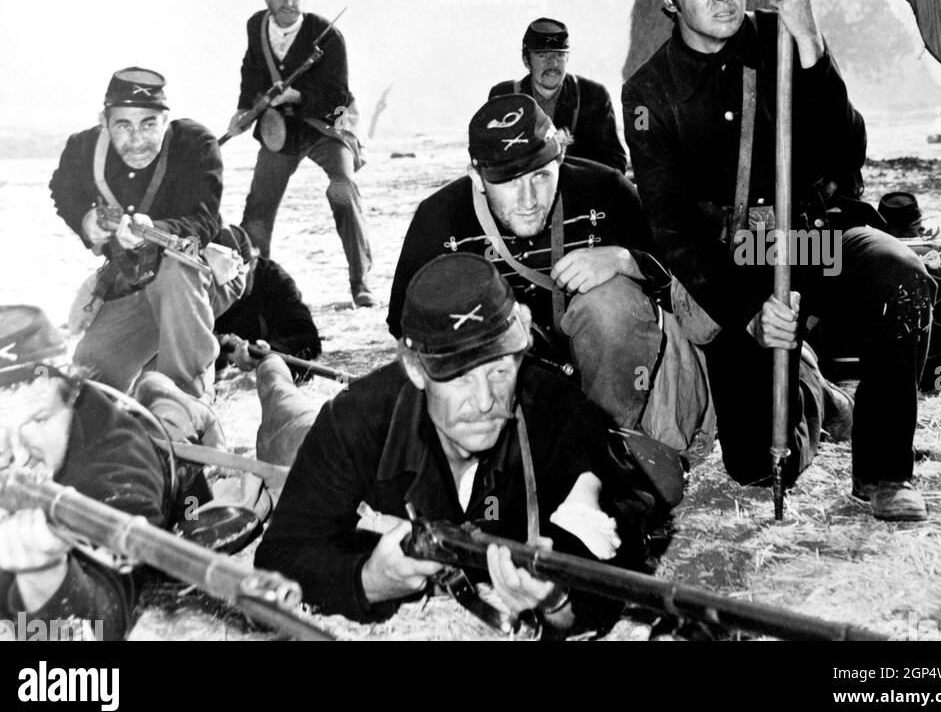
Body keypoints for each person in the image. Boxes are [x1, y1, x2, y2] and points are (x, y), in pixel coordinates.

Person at [621, 0, 934, 522]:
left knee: (904, 284)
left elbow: (847, 153)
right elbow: (673, 227)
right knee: (761, 467)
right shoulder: (649, 94)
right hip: (740, 264)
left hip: (818, 237)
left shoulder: (783, 38)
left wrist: (812, 44)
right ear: (668, 0)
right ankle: (817, 397)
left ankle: (884, 475)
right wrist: (746, 314)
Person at [255, 254, 644, 633]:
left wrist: (557, 603)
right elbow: (276, 562)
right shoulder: (353, 421)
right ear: (414, 369)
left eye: (499, 369)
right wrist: (370, 580)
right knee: (282, 405)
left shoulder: (561, 414)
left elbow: (619, 561)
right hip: (301, 437)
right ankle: (270, 366)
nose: (484, 400)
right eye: (458, 376)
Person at [387, 95, 700, 480]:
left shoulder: (606, 189)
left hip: (609, 374)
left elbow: (685, 280)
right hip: (505, 377)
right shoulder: (437, 219)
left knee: (612, 307)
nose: (529, 200)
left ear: (560, 160)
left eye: (540, 175)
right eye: (508, 182)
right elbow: (406, 329)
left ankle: (609, 443)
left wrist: (624, 260)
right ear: (475, 176)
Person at [0, 304, 170, 641]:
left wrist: (44, 579)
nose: (18, 452)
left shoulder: (117, 458)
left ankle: (169, 397)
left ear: (73, 400)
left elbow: (104, 620)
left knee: (169, 414)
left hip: (158, 453)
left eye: (38, 420)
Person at [50, 67, 242, 400]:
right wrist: (85, 219)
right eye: (123, 125)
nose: (137, 140)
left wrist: (156, 230)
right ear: (104, 122)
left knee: (174, 270)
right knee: (91, 371)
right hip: (135, 279)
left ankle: (186, 404)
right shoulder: (83, 150)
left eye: (149, 124)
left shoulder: (193, 143)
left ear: (166, 120)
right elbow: (62, 190)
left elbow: (202, 221)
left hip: (208, 273)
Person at [227, 0, 375, 308]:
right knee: (258, 207)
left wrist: (298, 96)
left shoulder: (327, 34)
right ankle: (253, 287)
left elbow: (339, 95)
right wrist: (243, 109)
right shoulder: (255, 26)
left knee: (342, 188)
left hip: (328, 123)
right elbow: (251, 69)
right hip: (281, 130)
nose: (289, 3)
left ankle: (361, 280)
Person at [489, 17, 627, 173]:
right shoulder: (504, 97)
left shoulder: (593, 96)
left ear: (568, 58)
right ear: (526, 61)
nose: (553, 64)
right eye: (543, 55)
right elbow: (489, 160)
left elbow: (615, 163)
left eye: (559, 55)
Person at [213, 225, 322, 379]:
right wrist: (225, 354)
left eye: (233, 281)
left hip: (267, 354)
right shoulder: (193, 283)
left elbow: (309, 340)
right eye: (216, 283)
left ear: (252, 264)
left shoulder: (275, 281)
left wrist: (270, 351)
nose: (226, 292)